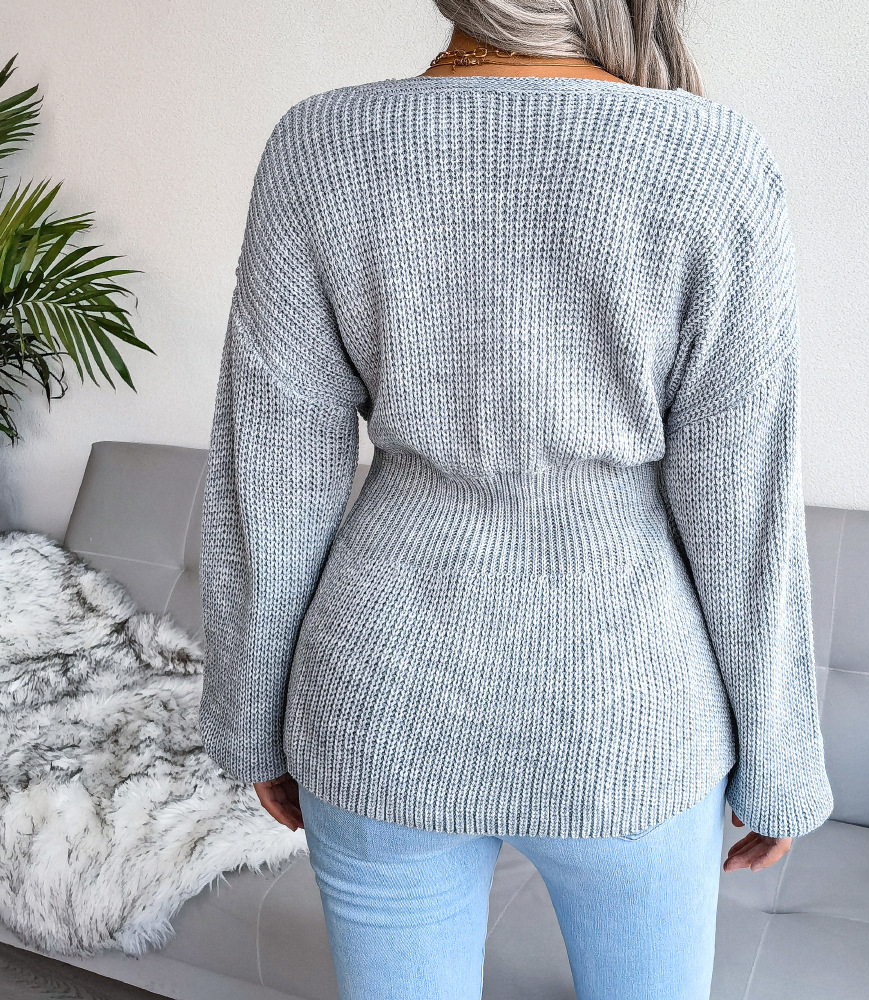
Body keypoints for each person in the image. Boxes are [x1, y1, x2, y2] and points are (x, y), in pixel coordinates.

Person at [198, 2, 835, 997]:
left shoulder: (319, 146)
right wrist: (781, 762)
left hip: (379, 707)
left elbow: (268, 479)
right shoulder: (708, 156)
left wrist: (251, 719)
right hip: (628, 723)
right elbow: (744, 505)